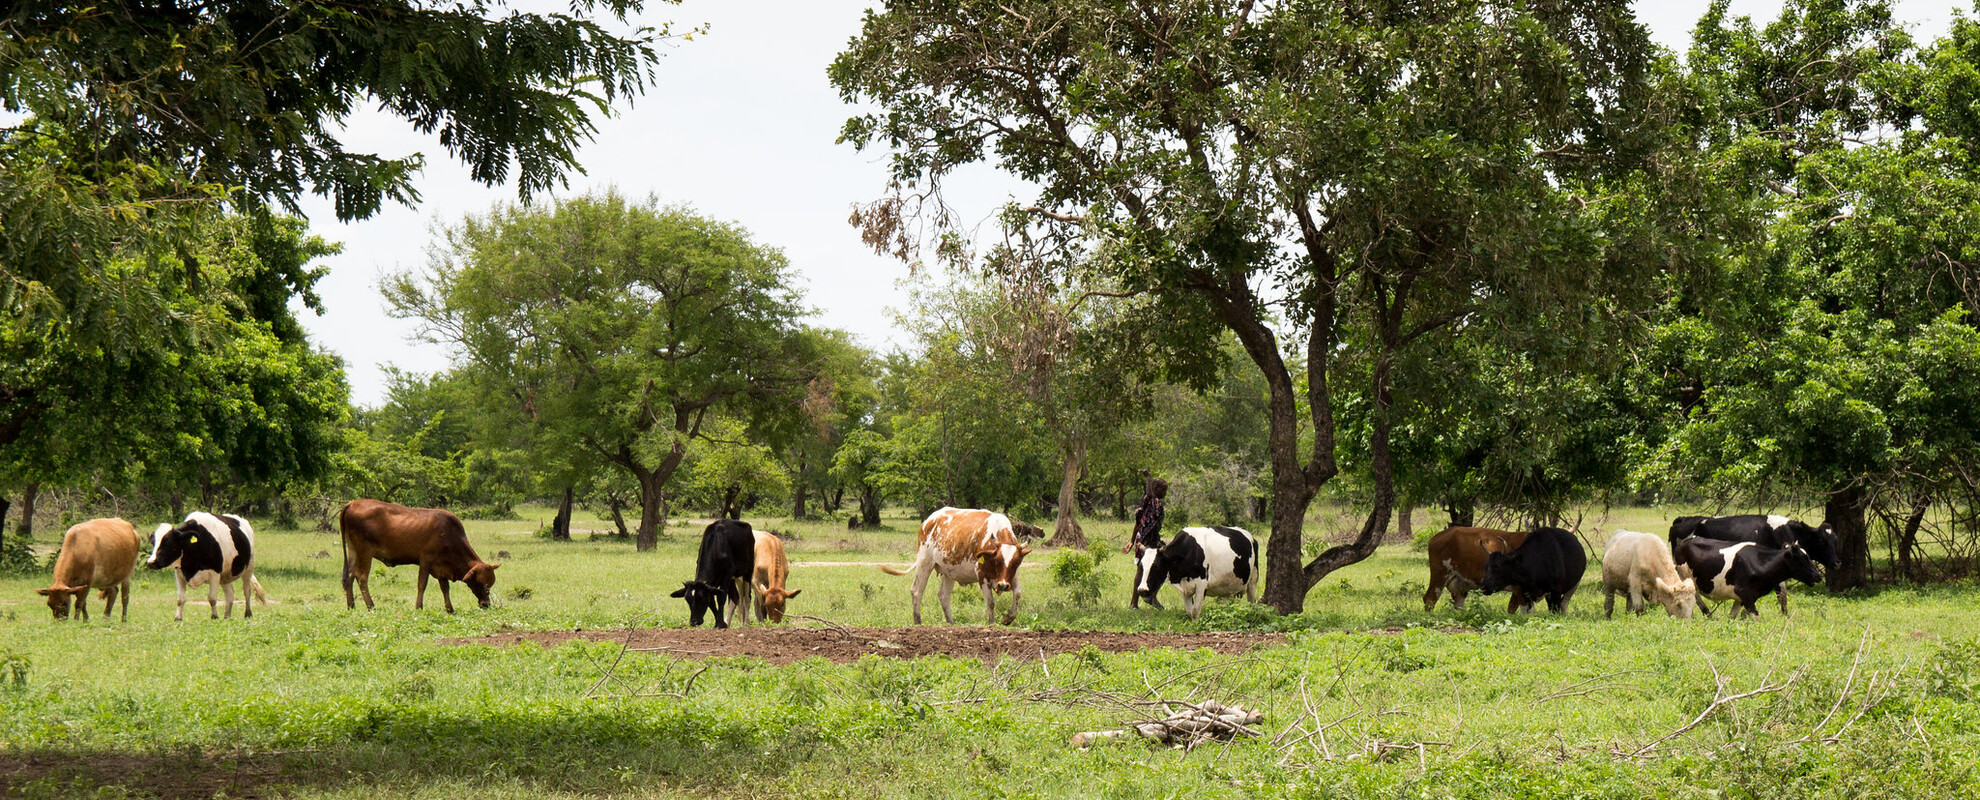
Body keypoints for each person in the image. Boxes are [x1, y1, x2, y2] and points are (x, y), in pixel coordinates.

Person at [1126, 476, 1168, 609]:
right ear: (1156, 489)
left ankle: (1152, 596)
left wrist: (1131, 541)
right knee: (1141, 569)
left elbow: (1138, 523)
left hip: (1154, 540)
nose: (1165, 493)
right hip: (1144, 541)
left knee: (1162, 566)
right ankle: (1134, 603)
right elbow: (1138, 524)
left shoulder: (1157, 504)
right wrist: (1148, 477)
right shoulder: (1149, 500)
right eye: (1163, 490)